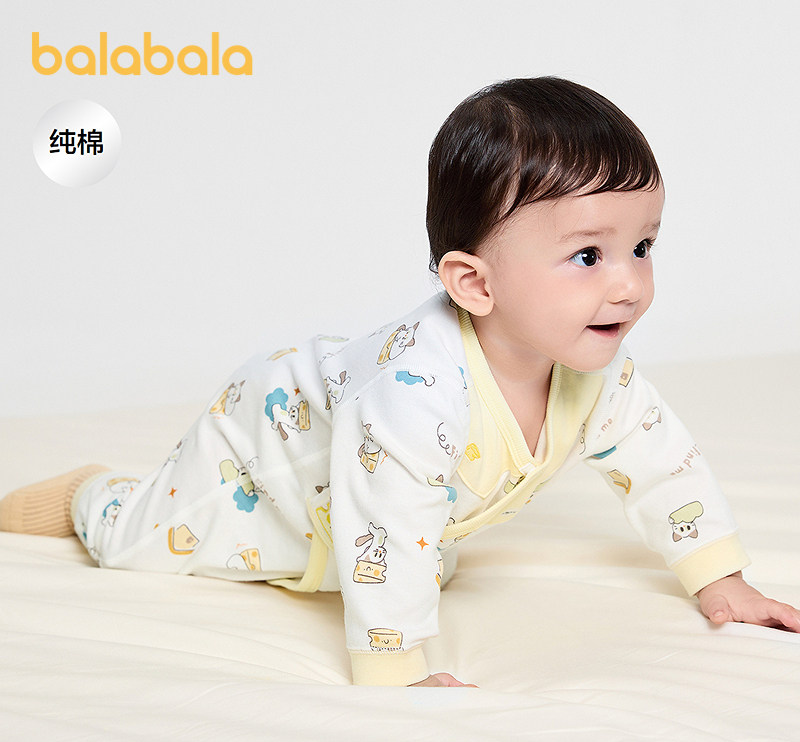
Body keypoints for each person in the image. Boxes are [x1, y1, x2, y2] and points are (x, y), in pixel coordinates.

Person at [3, 77, 799, 688]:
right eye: (589, 256)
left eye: (644, 246)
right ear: (475, 284)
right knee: (139, 543)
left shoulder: (597, 374)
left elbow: (663, 464)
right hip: (262, 458)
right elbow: (386, 518)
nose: (628, 284)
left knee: (404, 552)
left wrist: (719, 578)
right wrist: (396, 668)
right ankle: (87, 496)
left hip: (360, 512)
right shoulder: (416, 391)